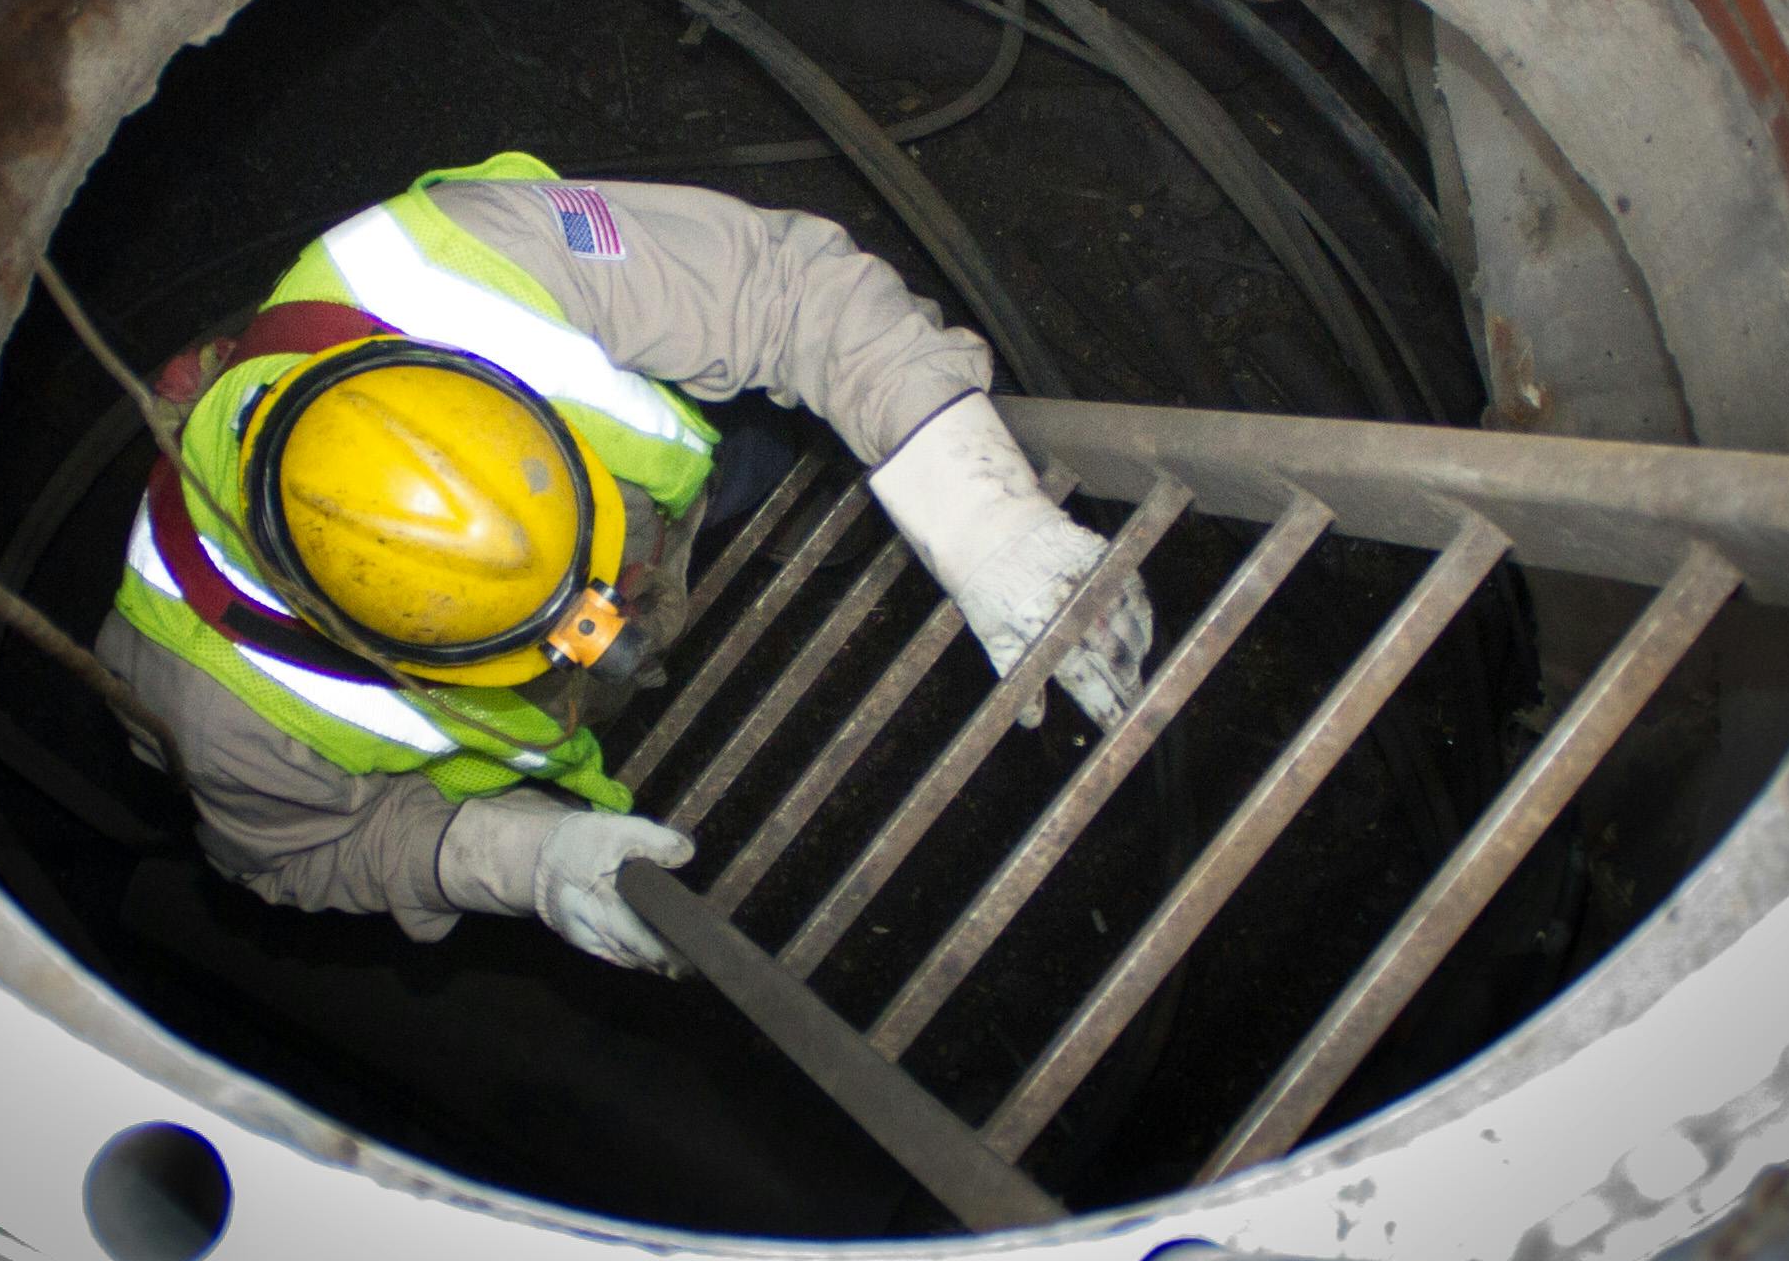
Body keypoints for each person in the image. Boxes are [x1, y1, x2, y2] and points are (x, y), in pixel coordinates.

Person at [95, 152, 1153, 976]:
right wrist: (516, 863)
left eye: (593, 592)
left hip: (676, 493)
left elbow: (783, 291)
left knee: (751, 457)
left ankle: (727, 512)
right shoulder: (211, 708)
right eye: (538, 638)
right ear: (355, 638)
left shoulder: (465, 258)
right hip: (544, 705)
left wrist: (979, 517)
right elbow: (299, 851)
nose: (615, 624)